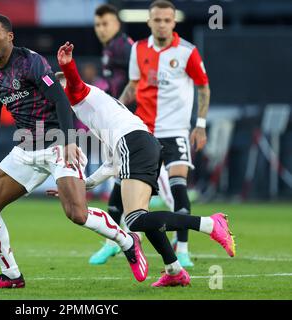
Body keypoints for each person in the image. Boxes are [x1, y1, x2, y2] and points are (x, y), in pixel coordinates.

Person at [0, 14, 146, 290]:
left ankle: (126, 240)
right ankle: (11, 275)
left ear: (10, 36)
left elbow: (60, 99)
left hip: (58, 144)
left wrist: (69, 139)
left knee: (77, 213)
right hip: (26, 149)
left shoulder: (30, 62)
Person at [54, 41, 234, 287]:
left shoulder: (77, 94)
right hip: (142, 143)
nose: (55, 98)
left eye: (57, 89)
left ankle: (211, 224)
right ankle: (174, 271)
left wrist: (67, 65)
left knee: (136, 219)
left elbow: (72, 82)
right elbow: (110, 164)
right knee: (145, 218)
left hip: (136, 144)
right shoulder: (93, 108)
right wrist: (82, 184)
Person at [119, 0, 211, 267]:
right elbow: (133, 87)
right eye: (157, 20)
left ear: (174, 22)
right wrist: (113, 112)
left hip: (176, 130)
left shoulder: (187, 52)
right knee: (125, 188)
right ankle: (124, 244)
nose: (162, 24)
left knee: (178, 183)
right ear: (149, 21)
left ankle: (182, 248)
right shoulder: (138, 49)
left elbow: (203, 88)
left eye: (167, 20)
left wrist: (201, 124)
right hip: (144, 131)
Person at [89, 3, 174, 266]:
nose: (101, 29)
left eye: (106, 24)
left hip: (139, 130)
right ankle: (114, 242)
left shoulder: (125, 49)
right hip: (125, 130)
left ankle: (181, 244)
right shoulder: (111, 50)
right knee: (118, 184)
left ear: (117, 24)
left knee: (165, 188)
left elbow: (142, 82)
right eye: (98, 25)